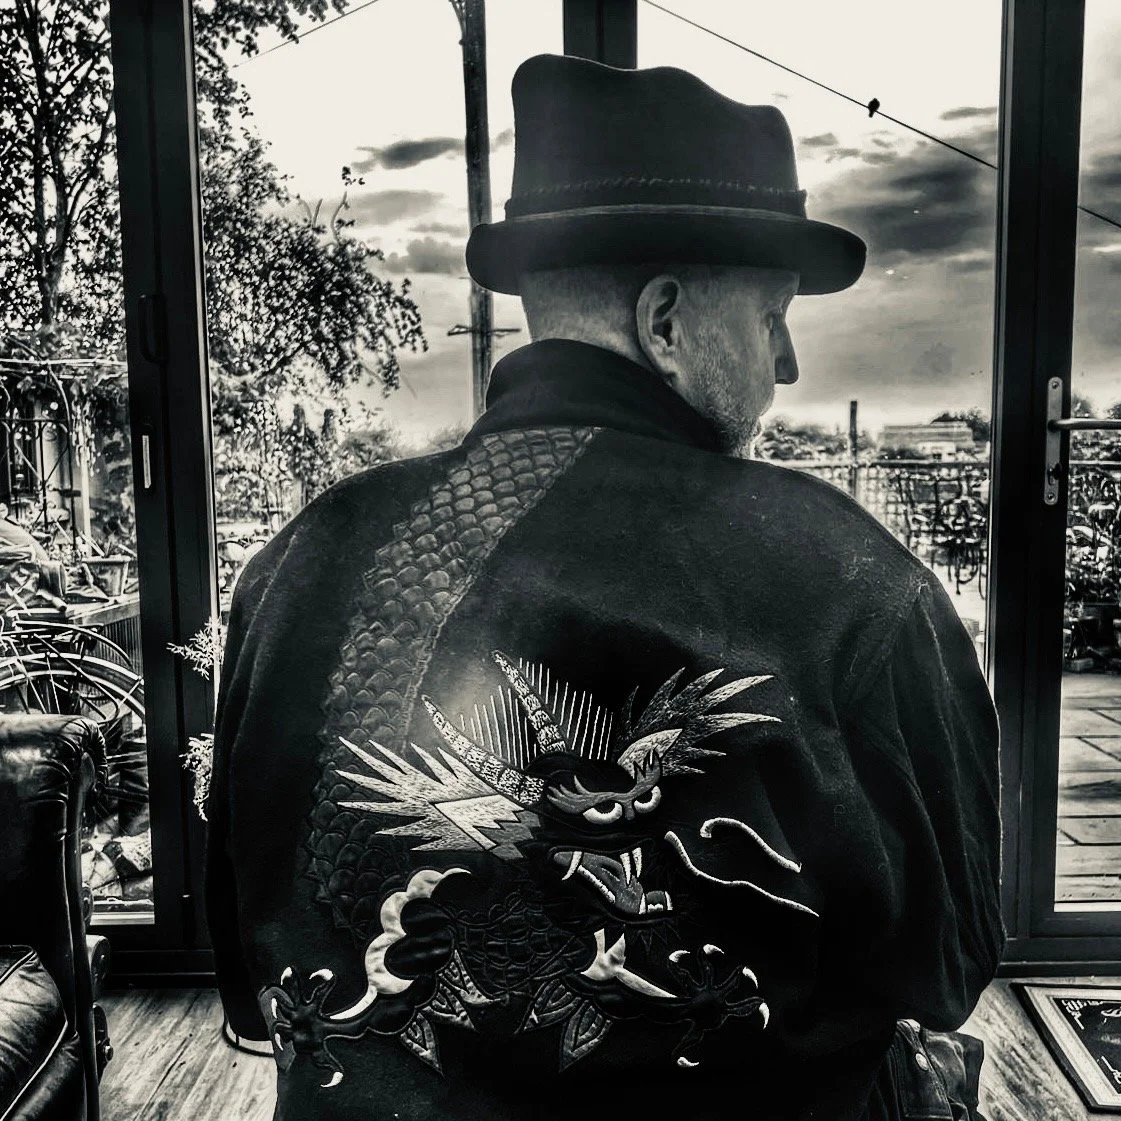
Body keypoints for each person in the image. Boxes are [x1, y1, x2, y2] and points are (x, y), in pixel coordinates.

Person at [207, 54, 1004, 1121]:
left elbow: (253, 986)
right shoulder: (847, 578)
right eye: (772, 317)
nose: (786, 365)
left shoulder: (298, 559)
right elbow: (942, 969)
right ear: (666, 319)